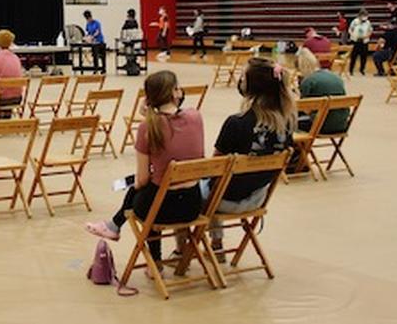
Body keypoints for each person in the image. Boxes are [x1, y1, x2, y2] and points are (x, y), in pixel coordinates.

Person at [85, 70, 204, 263]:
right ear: (175, 93)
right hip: (192, 204)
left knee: (141, 191)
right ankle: (113, 226)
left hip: (160, 209)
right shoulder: (195, 117)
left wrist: (148, 115)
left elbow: (142, 180)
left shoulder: (146, 128)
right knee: (150, 191)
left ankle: (153, 261)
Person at [205, 57, 295, 249]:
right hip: (258, 197)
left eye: (243, 77)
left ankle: (198, 245)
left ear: (252, 86)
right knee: (222, 180)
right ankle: (215, 242)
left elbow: (215, 166)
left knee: (190, 187)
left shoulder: (236, 123)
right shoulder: (287, 123)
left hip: (224, 200)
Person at [296, 48, 348, 133]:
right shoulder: (335, 77)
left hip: (321, 126)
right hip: (342, 124)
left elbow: (302, 107)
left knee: (288, 122)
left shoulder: (308, 81)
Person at [347, 9, 372, 76]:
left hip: (364, 41)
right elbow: (350, 30)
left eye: (366, 16)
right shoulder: (355, 21)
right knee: (354, 56)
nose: (364, 17)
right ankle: (351, 70)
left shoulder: (368, 22)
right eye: (363, 15)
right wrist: (353, 35)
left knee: (364, 56)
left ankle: (362, 70)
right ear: (360, 15)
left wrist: (367, 36)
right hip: (356, 41)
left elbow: (370, 30)